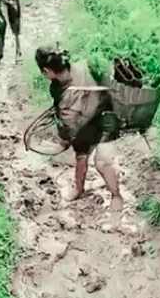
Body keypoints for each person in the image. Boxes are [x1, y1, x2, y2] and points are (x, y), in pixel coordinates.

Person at [35, 45, 124, 211]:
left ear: (47, 71)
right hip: (94, 115)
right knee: (82, 154)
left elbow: (68, 124)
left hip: (104, 117)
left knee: (101, 162)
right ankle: (80, 188)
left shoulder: (64, 92)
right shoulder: (80, 67)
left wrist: (63, 141)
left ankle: (117, 196)